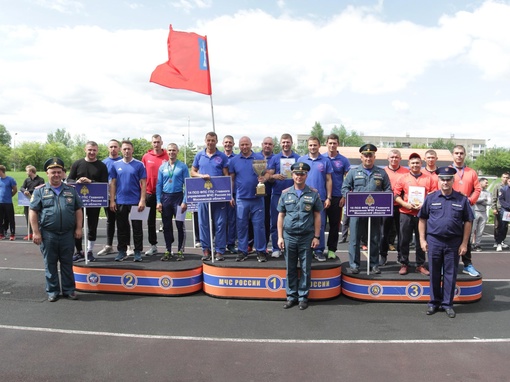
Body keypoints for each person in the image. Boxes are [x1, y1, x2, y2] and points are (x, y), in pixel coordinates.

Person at [418, 167, 474, 318]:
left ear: (453, 181)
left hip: (453, 243)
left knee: (450, 274)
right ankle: (434, 302)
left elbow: (468, 221)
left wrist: (464, 243)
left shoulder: (462, 199)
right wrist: (422, 240)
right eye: (442, 179)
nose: (445, 182)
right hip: (434, 241)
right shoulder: (431, 198)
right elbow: (422, 219)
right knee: (434, 273)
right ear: (438, 180)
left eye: (448, 179)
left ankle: (447, 304)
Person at [29, 157, 83, 302]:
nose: (56, 175)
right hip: (48, 234)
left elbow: (78, 209)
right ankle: (52, 291)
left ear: (63, 174)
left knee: (67, 263)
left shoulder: (71, 190)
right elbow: (33, 211)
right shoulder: (40, 191)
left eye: (59, 172)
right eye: (53, 172)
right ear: (47, 173)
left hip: (67, 234)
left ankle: (69, 290)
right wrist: (35, 232)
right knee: (50, 263)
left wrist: (79, 228)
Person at [277, 162, 323, 310]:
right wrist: (280, 237)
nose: (299, 176)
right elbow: (281, 216)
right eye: (296, 173)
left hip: (306, 237)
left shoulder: (313, 194)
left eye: (302, 174)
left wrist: (317, 237)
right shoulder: (285, 194)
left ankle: (303, 297)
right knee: (290, 268)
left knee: (305, 268)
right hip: (289, 236)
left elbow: (317, 216)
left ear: (306, 175)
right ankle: (291, 297)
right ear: (292, 175)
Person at [341, 144, 392, 274]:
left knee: (374, 238)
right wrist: (350, 197)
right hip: (357, 211)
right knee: (354, 240)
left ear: (374, 157)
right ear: (361, 157)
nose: (368, 158)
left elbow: (388, 190)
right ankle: (354, 264)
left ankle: (374, 264)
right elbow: (345, 188)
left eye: (370, 156)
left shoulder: (381, 173)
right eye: (365, 156)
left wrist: (383, 200)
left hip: (374, 212)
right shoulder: (353, 172)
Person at [393, 153, 435, 275]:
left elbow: (433, 194)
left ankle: (420, 264)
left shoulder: (428, 178)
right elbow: (395, 195)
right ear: (408, 164)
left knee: (421, 239)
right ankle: (404, 263)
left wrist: (425, 205)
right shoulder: (403, 178)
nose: (415, 165)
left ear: (421, 164)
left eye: (417, 163)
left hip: (422, 214)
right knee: (404, 239)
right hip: (406, 212)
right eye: (413, 163)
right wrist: (404, 204)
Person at [191, 132, 229, 261]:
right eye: (208, 140)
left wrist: (227, 193)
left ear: (216, 141)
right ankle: (206, 249)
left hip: (218, 196)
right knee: (203, 224)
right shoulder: (199, 155)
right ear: (205, 141)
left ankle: (219, 250)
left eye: (213, 140)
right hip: (203, 195)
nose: (210, 142)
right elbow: (192, 172)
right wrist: (201, 176)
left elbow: (226, 176)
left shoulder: (222, 156)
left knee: (220, 224)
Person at [68, 141, 109, 262]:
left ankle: (90, 251)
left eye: (94, 150)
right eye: (90, 150)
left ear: (97, 151)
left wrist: (91, 182)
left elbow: (104, 183)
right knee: (77, 226)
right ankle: (79, 251)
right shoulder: (77, 164)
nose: (92, 152)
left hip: (94, 201)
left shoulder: (101, 166)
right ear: (85, 150)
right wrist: (78, 181)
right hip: (79, 201)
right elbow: (69, 179)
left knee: (92, 226)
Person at [229, 136, 268, 262]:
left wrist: (264, 179)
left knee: (259, 226)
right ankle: (242, 251)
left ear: (251, 144)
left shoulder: (259, 158)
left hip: (257, 198)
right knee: (241, 226)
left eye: (246, 144)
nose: (244, 147)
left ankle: (261, 251)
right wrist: (230, 195)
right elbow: (232, 179)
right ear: (239, 146)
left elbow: (266, 174)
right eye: (242, 145)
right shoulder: (234, 160)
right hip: (241, 198)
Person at [109, 140, 147, 262]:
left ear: (132, 150)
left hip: (135, 201)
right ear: (121, 150)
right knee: (121, 227)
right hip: (120, 201)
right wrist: (112, 200)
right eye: (124, 149)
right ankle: (122, 251)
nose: (126, 151)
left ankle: (137, 252)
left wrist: (142, 200)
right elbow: (113, 183)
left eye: (128, 149)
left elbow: (144, 184)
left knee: (137, 227)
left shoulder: (139, 165)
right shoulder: (116, 165)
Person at [265, 133, 301, 258]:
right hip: (277, 195)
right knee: (275, 222)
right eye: (283, 142)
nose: (286, 144)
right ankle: (276, 247)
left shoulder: (298, 158)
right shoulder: (275, 158)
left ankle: (292, 248)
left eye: (288, 142)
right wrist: (274, 176)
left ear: (291, 143)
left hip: (294, 195)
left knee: (294, 223)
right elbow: (268, 177)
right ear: (280, 143)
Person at [297, 136, 332, 261]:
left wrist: (328, 197)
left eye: (315, 145)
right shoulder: (301, 160)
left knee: (320, 225)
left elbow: (328, 180)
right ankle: (305, 250)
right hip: (303, 198)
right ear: (307, 146)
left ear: (319, 146)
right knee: (304, 224)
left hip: (320, 198)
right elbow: (296, 179)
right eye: (310, 145)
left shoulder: (325, 161)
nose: (312, 147)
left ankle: (318, 250)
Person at [450, 145, 481, 277]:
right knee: (449, 236)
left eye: (461, 153)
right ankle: (447, 264)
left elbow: (477, 189)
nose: (459, 155)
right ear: (453, 155)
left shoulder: (471, 172)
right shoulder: (447, 171)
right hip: (450, 208)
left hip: (466, 208)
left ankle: (467, 264)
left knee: (466, 237)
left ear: (465, 155)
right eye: (456, 153)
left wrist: (470, 201)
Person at [97, 139, 131, 256]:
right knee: (110, 221)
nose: (113, 149)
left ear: (119, 149)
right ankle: (109, 245)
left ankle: (128, 246)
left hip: (122, 197)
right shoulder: (103, 163)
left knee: (124, 222)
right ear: (108, 148)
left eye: (115, 147)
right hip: (108, 197)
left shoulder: (124, 162)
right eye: (111, 147)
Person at [156, 143, 189, 261]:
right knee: (166, 226)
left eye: (174, 150)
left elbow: (187, 185)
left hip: (178, 198)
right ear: (167, 151)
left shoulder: (183, 166)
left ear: (177, 151)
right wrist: (158, 201)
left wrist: (185, 201)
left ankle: (180, 250)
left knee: (180, 225)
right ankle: (168, 250)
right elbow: (159, 185)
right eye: (169, 150)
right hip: (166, 198)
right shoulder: (162, 167)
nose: (171, 152)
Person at [323, 134, 351, 260]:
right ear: (326, 144)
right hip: (321, 197)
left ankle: (331, 250)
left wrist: (344, 196)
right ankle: (316, 249)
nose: (332, 145)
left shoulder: (344, 160)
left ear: (338, 144)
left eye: (334, 143)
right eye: (330, 143)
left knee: (334, 225)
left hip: (337, 197)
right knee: (318, 224)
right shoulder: (320, 158)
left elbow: (348, 179)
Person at [142, 134, 169, 256]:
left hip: (165, 193)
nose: (156, 144)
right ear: (151, 143)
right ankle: (153, 246)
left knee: (167, 220)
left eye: (158, 142)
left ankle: (169, 247)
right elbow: (141, 176)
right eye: (154, 142)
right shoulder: (146, 157)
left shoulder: (167, 156)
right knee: (150, 221)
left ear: (162, 143)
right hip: (149, 193)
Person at [380, 149, 407, 265]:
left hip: (401, 206)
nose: (394, 159)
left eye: (396, 157)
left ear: (400, 159)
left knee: (402, 233)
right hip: (385, 206)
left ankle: (401, 256)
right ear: (388, 158)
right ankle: (382, 256)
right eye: (392, 157)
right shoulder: (382, 172)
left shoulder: (406, 172)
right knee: (383, 233)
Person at [257, 136, 275, 246]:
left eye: (269, 144)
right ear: (262, 144)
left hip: (269, 192)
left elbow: (273, 174)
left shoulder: (275, 158)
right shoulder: (255, 157)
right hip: (256, 193)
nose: (267, 145)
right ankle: (251, 243)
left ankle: (265, 243)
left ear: (273, 146)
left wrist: (268, 175)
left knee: (267, 219)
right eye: (265, 143)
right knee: (253, 219)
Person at [20, 165, 45, 240]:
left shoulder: (40, 179)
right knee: (28, 216)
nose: (26, 172)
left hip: (37, 200)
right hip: (27, 200)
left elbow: (40, 188)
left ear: (31, 171)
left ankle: (38, 232)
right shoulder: (27, 180)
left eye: (27, 171)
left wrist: (30, 192)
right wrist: (25, 191)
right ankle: (30, 233)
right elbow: (21, 187)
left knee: (38, 217)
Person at [222, 135, 238, 254]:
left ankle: (231, 243)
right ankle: (220, 243)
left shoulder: (236, 158)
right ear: (223, 143)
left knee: (232, 220)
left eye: (230, 142)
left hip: (233, 193)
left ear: (233, 144)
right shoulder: (219, 157)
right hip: (219, 194)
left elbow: (233, 177)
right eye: (226, 142)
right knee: (220, 220)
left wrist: (230, 194)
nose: (228, 144)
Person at [491, 172, 509, 249]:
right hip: (499, 208)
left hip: (507, 209)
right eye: (504, 177)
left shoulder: (508, 187)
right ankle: (497, 241)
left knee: (505, 226)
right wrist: (494, 208)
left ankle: (501, 240)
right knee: (497, 225)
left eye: (507, 177)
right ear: (501, 178)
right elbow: (494, 197)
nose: (505, 179)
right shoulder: (497, 186)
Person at [472, 177, 490, 251]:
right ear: (481, 183)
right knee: (472, 230)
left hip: (483, 213)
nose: (487, 184)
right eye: (486, 182)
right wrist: (483, 200)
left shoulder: (488, 193)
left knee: (480, 230)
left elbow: (489, 202)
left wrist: (479, 201)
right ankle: (469, 244)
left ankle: (477, 244)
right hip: (475, 212)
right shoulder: (475, 191)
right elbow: (473, 200)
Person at [0, 165, 17, 240]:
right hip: (0, 202)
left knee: (10, 219)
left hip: (8, 202)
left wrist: (10, 196)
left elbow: (15, 189)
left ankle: (12, 234)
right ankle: (1, 233)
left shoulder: (10, 179)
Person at [496, 178, 510, 252]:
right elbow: (501, 200)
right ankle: (499, 243)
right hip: (506, 211)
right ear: (507, 181)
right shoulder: (503, 189)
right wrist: (508, 206)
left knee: (506, 227)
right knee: (503, 227)